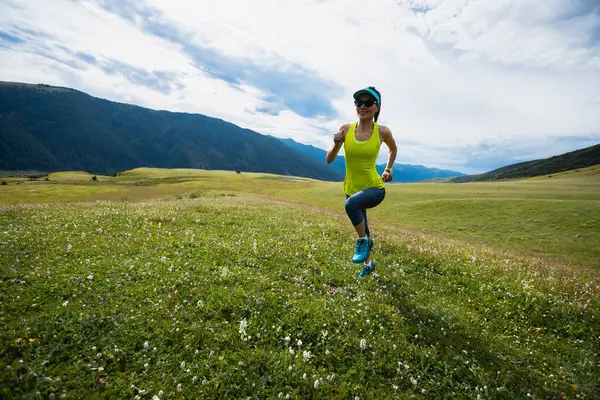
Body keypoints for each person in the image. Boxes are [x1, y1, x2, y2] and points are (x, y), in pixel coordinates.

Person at [326, 86, 397, 278]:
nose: (362, 106)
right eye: (359, 103)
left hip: (374, 187)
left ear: (377, 107)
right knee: (363, 229)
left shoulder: (382, 131)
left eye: (368, 103)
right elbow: (329, 159)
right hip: (352, 187)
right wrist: (336, 144)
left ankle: (364, 242)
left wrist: (388, 169)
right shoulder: (346, 129)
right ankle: (368, 264)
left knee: (352, 207)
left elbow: (393, 149)